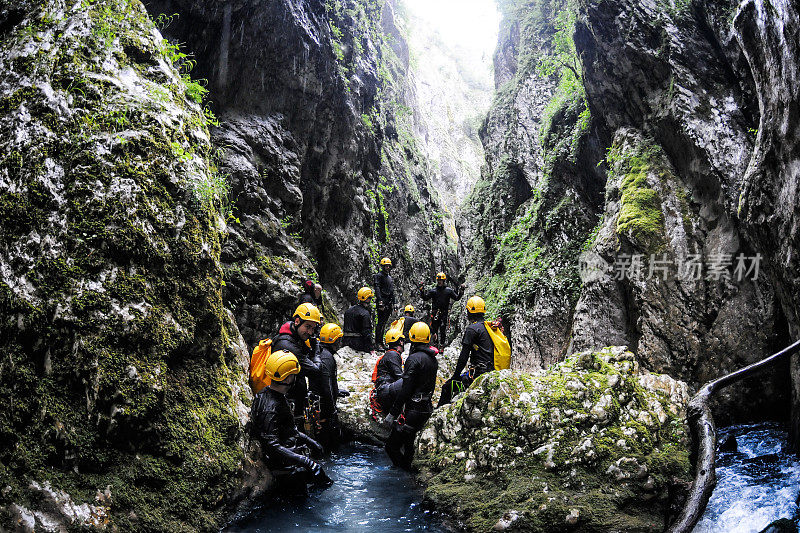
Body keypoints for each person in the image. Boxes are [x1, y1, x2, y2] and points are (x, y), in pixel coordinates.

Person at [250, 350, 332, 492]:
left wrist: (311, 442)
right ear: (288, 378)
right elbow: (272, 444)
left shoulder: (270, 394)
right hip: (285, 470)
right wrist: (305, 461)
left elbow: (289, 429)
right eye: (294, 375)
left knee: (323, 481)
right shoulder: (271, 406)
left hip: (289, 459)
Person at [383, 322, 438, 470]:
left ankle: (403, 474)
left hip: (413, 411)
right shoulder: (432, 359)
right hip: (425, 408)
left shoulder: (413, 359)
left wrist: (393, 413)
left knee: (391, 447)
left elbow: (405, 389)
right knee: (408, 447)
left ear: (411, 339)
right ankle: (407, 473)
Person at [438, 296, 493, 407]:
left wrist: (455, 376)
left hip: (478, 375)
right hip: (491, 370)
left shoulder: (472, 329)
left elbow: (463, 357)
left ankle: (438, 413)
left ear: (469, 312)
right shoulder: (489, 327)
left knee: (447, 387)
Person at [272, 303, 323, 419]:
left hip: (291, 400)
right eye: (308, 326)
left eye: (313, 328)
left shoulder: (294, 336)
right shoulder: (288, 345)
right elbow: (315, 371)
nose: (310, 332)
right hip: (287, 405)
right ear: (297, 321)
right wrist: (316, 350)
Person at [308, 323, 350, 450]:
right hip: (323, 406)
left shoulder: (320, 352)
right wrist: (333, 411)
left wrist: (336, 391)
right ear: (335, 341)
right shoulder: (327, 357)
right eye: (339, 340)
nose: (340, 343)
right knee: (329, 440)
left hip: (318, 400)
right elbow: (326, 385)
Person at [419, 272, 464, 348]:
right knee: (434, 330)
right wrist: (422, 291)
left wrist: (461, 291)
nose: (439, 282)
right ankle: (435, 345)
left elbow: (457, 298)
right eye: (438, 280)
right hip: (435, 313)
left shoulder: (448, 291)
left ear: (444, 281)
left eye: (441, 280)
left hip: (444, 313)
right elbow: (425, 298)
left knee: (443, 330)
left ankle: (442, 345)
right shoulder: (433, 291)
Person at [372, 327, 405, 413]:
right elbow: (399, 376)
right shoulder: (392, 354)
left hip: (385, 390)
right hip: (386, 390)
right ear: (400, 342)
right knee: (408, 381)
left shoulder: (389, 354)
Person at [343, 287, 375, 352]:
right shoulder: (365, 313)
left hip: (345, 341)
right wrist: (371, 349)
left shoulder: (348, 311)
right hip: (358, 344)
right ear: (368, 299)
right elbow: (367, 332)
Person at [373, 257, 396, 347]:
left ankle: (381, 342)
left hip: (388, 302)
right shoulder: (378, 276)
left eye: (388, 266)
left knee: (384, 323)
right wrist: (380, 301)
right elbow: (377, 289)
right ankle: (377, 342)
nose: (387, 268)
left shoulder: (389, 278)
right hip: (382, 301)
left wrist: (394, 303)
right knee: (380, 323)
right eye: (386, 266)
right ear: (382, 266)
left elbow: (392, 291)